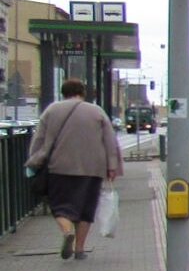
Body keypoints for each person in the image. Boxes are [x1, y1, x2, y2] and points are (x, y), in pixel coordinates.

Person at [26, 78, 123, 261]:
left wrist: (34, 159)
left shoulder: (51, 110)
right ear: (83, 92)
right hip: (92, 168)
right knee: (86, 209)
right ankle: (79, 250)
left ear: (63, 92)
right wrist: (112, 167)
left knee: (60, 207)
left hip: (59, 167)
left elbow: (39, 139)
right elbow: (110, 143)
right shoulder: (97, 112)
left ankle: (66, 230)